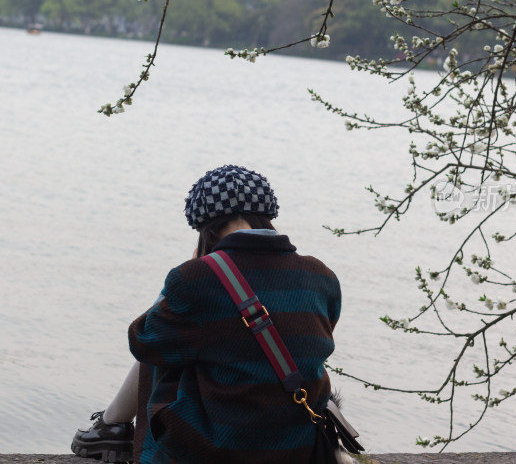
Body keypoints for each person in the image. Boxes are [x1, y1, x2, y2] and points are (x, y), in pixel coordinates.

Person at [72, 165, 342, 464]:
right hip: (300, 446)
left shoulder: (196, 277)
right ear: (267, 215)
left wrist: (175, 289)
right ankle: (113, 425)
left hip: (217, 449)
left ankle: (113, 427)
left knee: (166, 343)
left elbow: (143, 342)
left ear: (206, 228)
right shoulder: (321, 274)